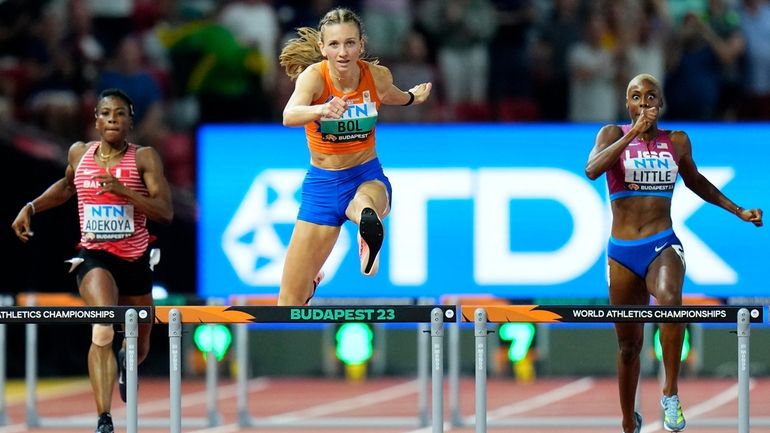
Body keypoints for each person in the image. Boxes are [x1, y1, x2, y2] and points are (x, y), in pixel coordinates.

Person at [585, 73, 762, 433]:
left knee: (669, 301)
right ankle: (627, 420)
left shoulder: (677, 141)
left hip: (662, 242)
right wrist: (633, 132)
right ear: (627, 104)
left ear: (661, 103)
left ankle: (670, 393)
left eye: (651, 97)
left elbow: (696, 182)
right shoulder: (611, 134)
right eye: (636, 97)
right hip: (621, 252)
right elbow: (591, 170)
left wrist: (738, 210)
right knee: (628, 347)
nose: (644, 103)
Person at [11, 88, 174, 433]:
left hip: (136, 260)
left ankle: (125, 359)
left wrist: (124, 191)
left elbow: (166, 212)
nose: (113, 119)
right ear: (96, 120)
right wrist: (31, 207)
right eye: (106, 114)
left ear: (130, 121)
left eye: (120, 114)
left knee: (140, 344)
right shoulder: (80, 154)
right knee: (102, 324)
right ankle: (104, 418)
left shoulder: (144, 158)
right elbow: (67, 187)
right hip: (93, 256)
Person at [276, 7, 431, 306]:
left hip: (365, 175)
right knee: (289, 303)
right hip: (322, 188)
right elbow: (289, 114)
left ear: (362, 44)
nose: (343, 52)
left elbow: (392, 95)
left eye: (350, 43)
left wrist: (412, 97)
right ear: (323, 48)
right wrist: (322, 109)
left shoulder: (376, 76)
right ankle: (310, 283)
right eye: (334, 44)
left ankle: (366, 227)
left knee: (364, 202)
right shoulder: (314, 78)